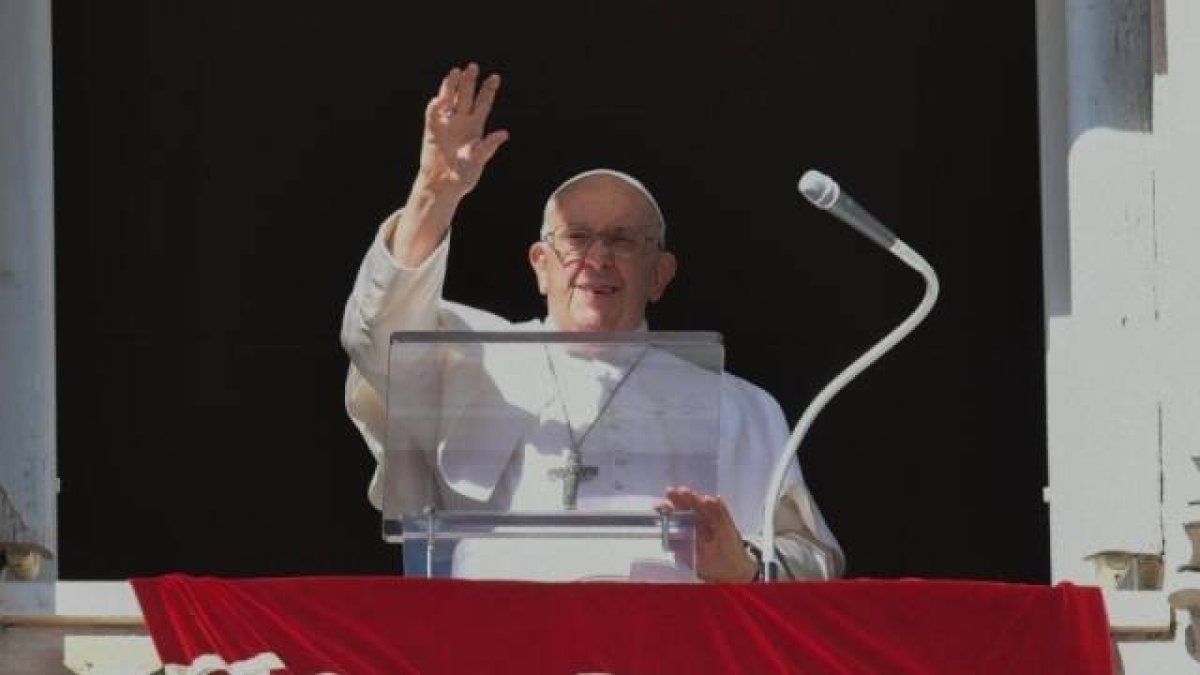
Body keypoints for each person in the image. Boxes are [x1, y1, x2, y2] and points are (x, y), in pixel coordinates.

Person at [341, 62, 843, 581]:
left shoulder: (741, 408)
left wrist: (745, 565)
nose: (598, 258)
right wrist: (433, 194)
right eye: (576, 238)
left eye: (624, 240)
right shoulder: (470, 364)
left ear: (660, 275)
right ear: (540, 263)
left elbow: (815, 566)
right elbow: (376, 335)